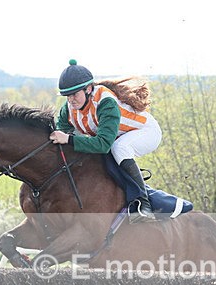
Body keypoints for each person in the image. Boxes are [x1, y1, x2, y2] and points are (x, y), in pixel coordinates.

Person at [49, 59, 162, 223]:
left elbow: (102, 144)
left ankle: (144, 205)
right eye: (67, 96)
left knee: (119, 148)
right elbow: (61, 135)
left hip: (145, 131)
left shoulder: (105, 102)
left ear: (88, 89)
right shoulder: (68, 109)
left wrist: (68, 139)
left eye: (75, 94)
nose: (71, 100)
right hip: (116, 137)